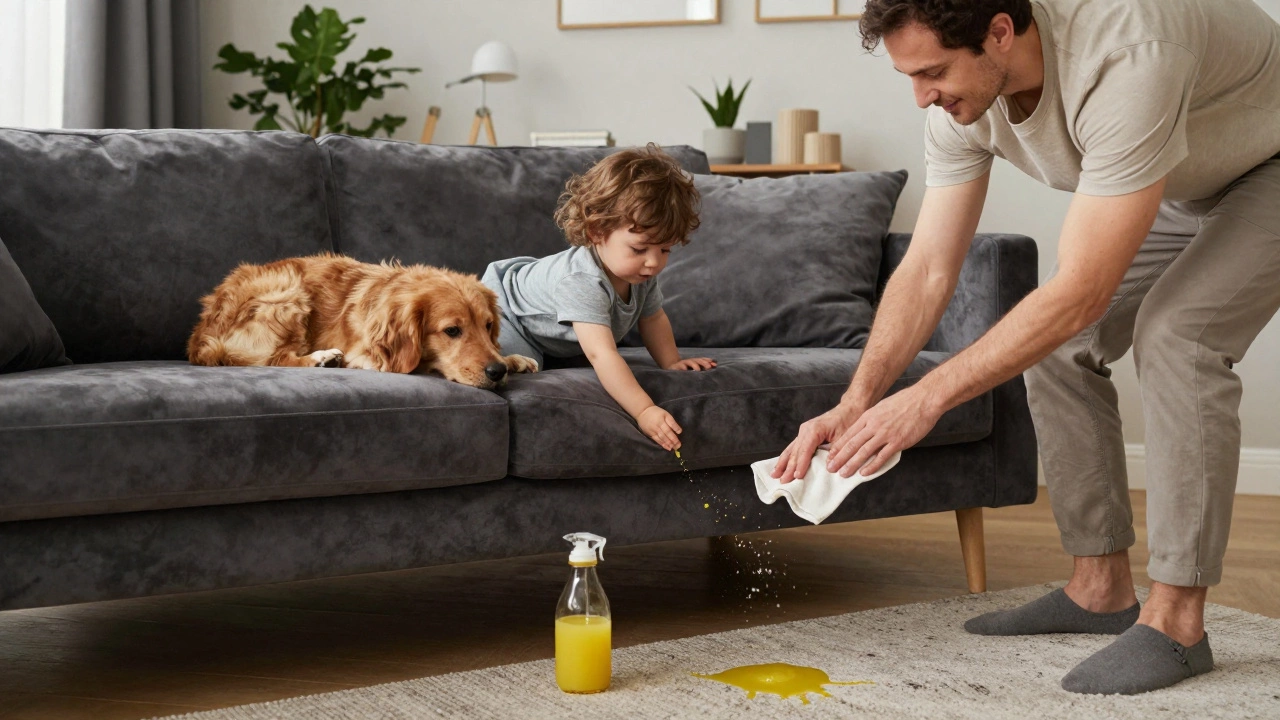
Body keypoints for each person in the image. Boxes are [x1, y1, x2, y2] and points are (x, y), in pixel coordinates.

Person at [773, 0, 1280, 695]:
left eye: (933, 72)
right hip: (1186, 174)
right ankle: (1099, 589)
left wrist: (925, 398)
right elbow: (928, 269)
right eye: (909, 76)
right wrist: (858, 401)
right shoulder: (960, 105)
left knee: (1177, 336)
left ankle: (1177, 624)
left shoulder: (1126, 54)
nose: (921, 96)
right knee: (1054, 344)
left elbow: (1082, 292)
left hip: (1271, 163)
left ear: (1000, 33)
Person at [482, 144, 716, 451]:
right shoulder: (583, 280)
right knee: (518, 369)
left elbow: (653, 318)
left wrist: (671, 361)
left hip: (552, 335)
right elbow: (602, 355)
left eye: (665, 249)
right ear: (596, 231)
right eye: (639, 248)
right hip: (507, 315)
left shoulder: (639, 274)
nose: (653, 262)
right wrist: (644, 410)